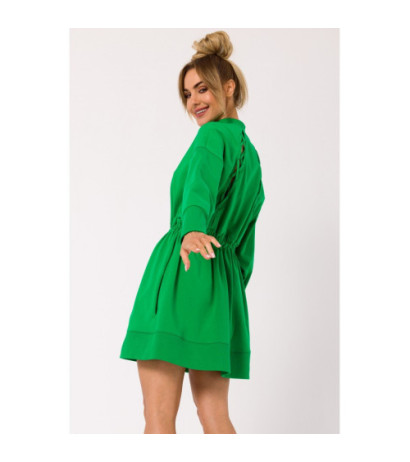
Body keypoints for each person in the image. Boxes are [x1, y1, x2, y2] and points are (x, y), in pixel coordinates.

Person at [119, 30, 265, 434]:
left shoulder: (210, 136)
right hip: (220, 290)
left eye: (203, 89)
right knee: (214, 415)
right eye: (187, 94)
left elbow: (198, 190)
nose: (193, 101)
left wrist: (191, 230)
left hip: (182, 274)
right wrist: (227, 294)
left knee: (158, 418)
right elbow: (246, 248)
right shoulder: (251, 156)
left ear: (229, 87)